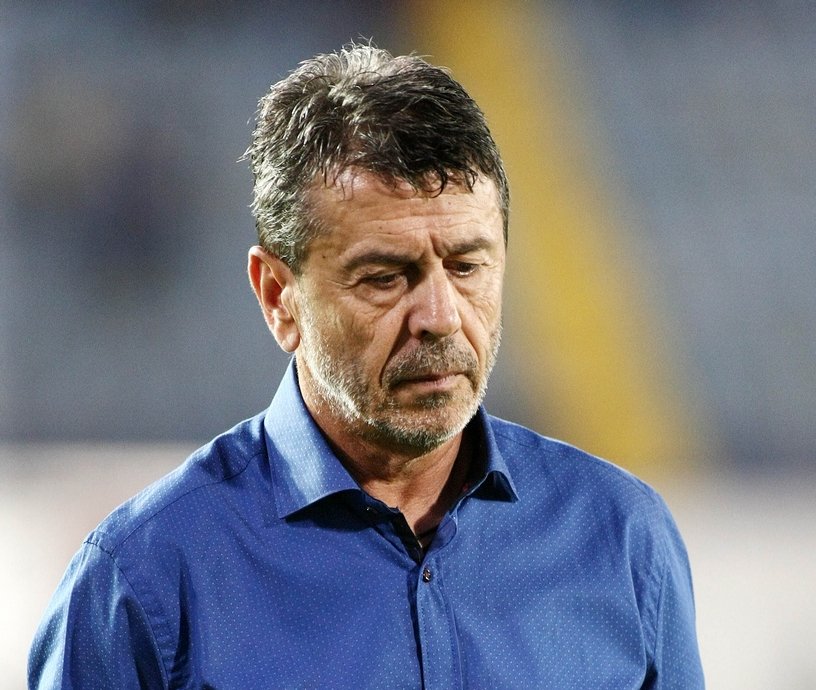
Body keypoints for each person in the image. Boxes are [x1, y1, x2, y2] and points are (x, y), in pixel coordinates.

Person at [29, 44, 704, 689]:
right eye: (385, 277)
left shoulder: (622, 537)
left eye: (467, 266)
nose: (440, 316)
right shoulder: (144, 579)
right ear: (278, 297)